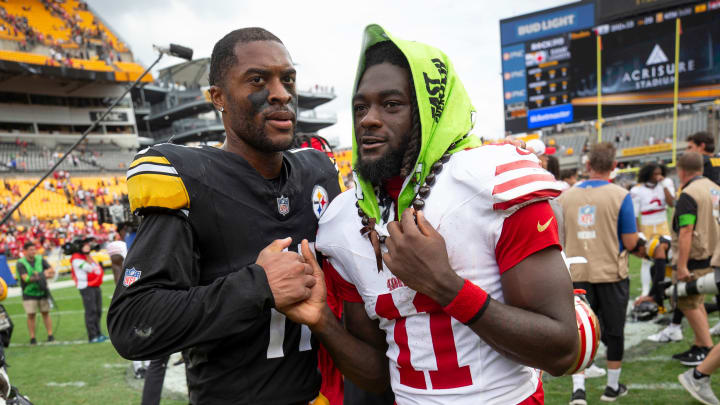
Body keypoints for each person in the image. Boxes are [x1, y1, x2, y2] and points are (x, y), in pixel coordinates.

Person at [302, 27, 580, 405]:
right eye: (360, 107)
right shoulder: (343, 220)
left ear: (430, 112)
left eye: (391, 104)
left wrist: (445, 286)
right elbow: (374, 375)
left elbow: (561, 350)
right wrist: (322, 320)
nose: (368, 119)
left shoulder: (490, 181)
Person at [107, 27, 342, 405]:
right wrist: (258, 286)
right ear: (218, 97)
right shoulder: (190, 177)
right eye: (257, 79)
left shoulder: (319, 174)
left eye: (288, 78)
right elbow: (132, 323)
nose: (281, 93)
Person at [558, 142, 644, 403]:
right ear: (614, 166)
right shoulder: (620, 195)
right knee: (614, 331)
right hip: (611, 273)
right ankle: (611, 387)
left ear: (587, 165)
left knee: (580, 331)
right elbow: (630, 241)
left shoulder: (565, 196)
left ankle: (578, 390)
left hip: (576, 272)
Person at [670, 152, 719, 367]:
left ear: (681, 170)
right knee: (697, 301)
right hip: (714, 252)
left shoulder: (689, 193)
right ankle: (700, 343)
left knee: (686, 300)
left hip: (696, 256)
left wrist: (681, 265)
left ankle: (707, 350)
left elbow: (686, 230)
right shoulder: (714, 187)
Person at [630, 162, 675, 298]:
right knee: (647, 259)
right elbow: (635, 215)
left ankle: (665, 288)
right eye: (655, 174)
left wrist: (665, 186)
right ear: (647, 174)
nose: (658, 176)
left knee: (668, 257)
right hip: (647, 227)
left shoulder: (666, 183)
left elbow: (672, 203)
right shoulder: (637, 190)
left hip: (663, 224)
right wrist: (639, 233)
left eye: (660, 173)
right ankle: (645, 290)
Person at [69, 236, 106, 343]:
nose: (88, 247)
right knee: (91, 311)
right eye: (85, 245)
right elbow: (90, 268)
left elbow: (98, 269)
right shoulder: (76, 258)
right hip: (86, 286)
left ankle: (98, 333)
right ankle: (92, 335)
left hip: (95, 285)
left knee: (98, 310)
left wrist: (88, 255)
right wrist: (88, 256)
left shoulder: (86, 256)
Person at [16, 242, 54, 345]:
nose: (33, 252)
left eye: (34, 249)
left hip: (42, 291)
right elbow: (26, 279)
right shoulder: (21, 263)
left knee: (46, 313)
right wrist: (43, 274)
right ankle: (32, 337)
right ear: (25, 251)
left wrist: (41, 275)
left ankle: (50, 335)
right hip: (29, 292)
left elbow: (51, 271)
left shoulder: (40, 259)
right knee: (31, 315)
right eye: (31, 250)